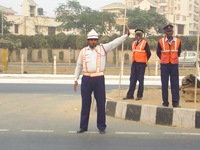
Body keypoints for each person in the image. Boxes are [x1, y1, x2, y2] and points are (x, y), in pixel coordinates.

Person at [74, 25, 130, 134]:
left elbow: (115, 43)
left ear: (97, 40)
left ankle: (101, 126)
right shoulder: (83, 51)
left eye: (95, 40)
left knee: (100, 103)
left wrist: (126, 36)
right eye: (91, 40)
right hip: (86, 78)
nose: (93, 42)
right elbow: (79, 65)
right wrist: (76, 79)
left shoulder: (103, 48)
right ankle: (83, 126)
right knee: (85, 103)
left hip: (98, 78)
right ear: (88, 40)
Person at [156, 24, 181, 108]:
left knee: (175, 84)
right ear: (165, 32)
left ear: (172, 31)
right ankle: (165, 102)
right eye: (167, 31)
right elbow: (158, 52)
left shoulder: (178, 41)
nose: (169, 33)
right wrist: (163, 58)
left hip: (174, 65)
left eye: (170, 31)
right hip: (164, 65)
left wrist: (173, 58)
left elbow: (179, 52)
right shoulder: (161, 41)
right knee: (164, 84)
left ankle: (176, 102)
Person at [123, 29, 151, 100]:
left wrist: (145, 60)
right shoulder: (133, 43)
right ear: (135, 35)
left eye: (140, 35)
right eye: (137, 35)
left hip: (141, 64)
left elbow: (149, 53)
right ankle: (130, 95)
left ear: (141, 36)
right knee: (132, 79)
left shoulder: (145, 43)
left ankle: (139, 95)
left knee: (140, 80)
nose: (138, 36)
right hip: (134, 63)